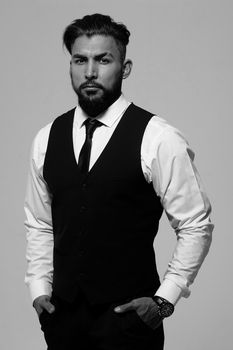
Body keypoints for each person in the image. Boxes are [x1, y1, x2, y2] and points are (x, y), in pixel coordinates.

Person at [24, 13, 213, 350]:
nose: (90, 71)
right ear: (71, 65)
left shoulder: (157, 137)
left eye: (103, 59)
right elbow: (40, 222)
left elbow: (195, 223)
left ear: (124, 68)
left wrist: (163, 301)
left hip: (129, 323)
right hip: (62, 321)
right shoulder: (45, 138)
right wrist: (39, 291)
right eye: (80, 60)